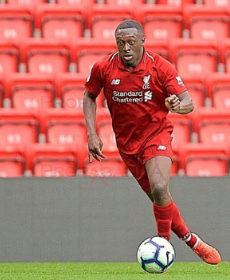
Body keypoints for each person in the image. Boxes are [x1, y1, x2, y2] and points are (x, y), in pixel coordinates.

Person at [82, 19, 221, 265]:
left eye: (131, 42)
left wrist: (178, 105)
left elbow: (187, 102)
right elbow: (89, 96)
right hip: (127, 144)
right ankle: (192, 241)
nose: (125, 48)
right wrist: (92, 133)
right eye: (120, 43)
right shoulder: (104, 68)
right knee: (160, 197)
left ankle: (163, 246)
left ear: (142, 42)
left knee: (159, 188)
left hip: (156, 135)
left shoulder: (160, 67)